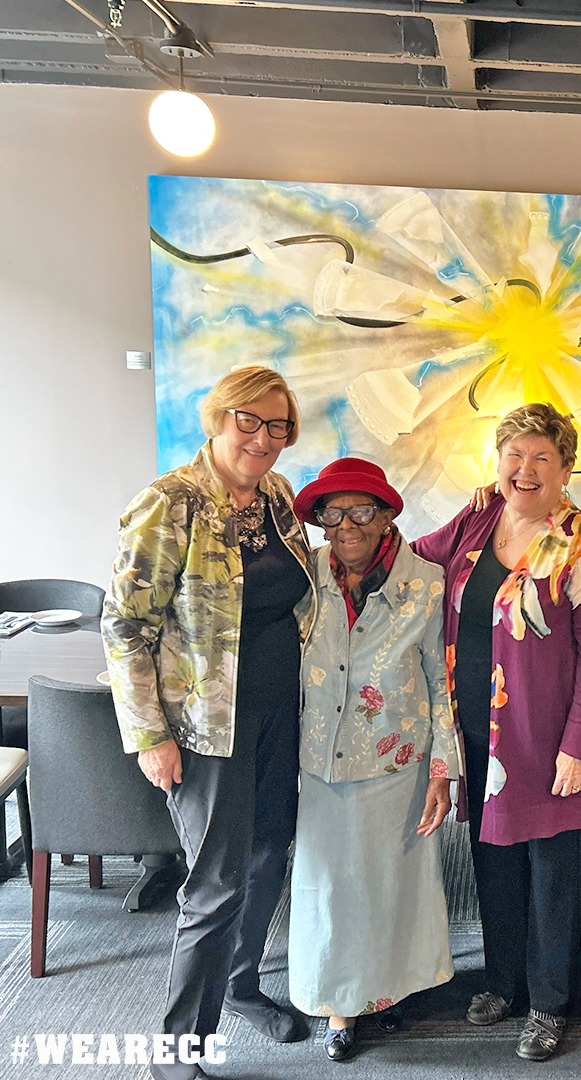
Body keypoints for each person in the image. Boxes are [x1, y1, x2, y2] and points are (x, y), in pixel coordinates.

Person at [102, 366, 315, 1080]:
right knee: (217, 882)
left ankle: (242, 984)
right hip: (205, 724)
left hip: (278, 710)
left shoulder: (277, 495)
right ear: (218, 420)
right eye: (248, 421)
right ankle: (177, 1051)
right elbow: (124, 624)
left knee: (267, 857)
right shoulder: (169, 504)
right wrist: (149, 735)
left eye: (277, 425)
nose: (262, 437)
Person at [413, 402, 581, 1062]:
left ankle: (550, 1002)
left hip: (548, 741)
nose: (524, 469)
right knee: (492, 864)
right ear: (497, 459)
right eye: (514, 455)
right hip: (478, 735)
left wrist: (579, 746)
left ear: (564, 468)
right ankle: (502, 982)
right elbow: (414, 562)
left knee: (552, 876)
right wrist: (353, 532)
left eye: (541, 458)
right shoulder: (476, 519)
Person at [287, 457, 459, 1062]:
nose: (347, 525)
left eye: (363, 510)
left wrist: (444, 770)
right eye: (333, 513)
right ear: (320, 521)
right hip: (320, 757)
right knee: (329, 885)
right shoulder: (302, 578)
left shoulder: (428, 582)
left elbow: (444, 681)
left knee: (391, 881)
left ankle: (388, 990)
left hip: (397, 758)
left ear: (386, 516)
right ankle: (340, 1006)